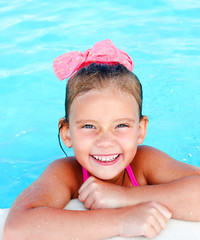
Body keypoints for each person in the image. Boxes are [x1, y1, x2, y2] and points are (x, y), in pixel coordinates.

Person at [3, 39, 200, 240]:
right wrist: (122, 220)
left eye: (121, 126)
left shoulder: (143, 162)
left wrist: (123, 197)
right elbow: (17, 227)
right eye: (89, 126)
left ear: (140, 130)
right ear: (67, 133)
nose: (105, 142)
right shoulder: (67, 174)